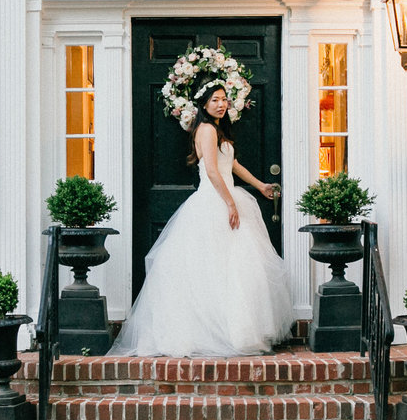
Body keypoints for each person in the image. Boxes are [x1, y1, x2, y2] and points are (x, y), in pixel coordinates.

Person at [110, 76, 295, 357]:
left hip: (226, 196)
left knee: (234, 270)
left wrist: (260, 186)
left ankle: (237, 332)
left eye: (224, 99)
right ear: (204, 105)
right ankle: (211, 333)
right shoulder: (206, 130)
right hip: (214, 201)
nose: (221, 104)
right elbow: (212, 171)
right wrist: (231, 204)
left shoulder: (218, 130)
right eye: (215, 100)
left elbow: (231, 164)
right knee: (212, 269)